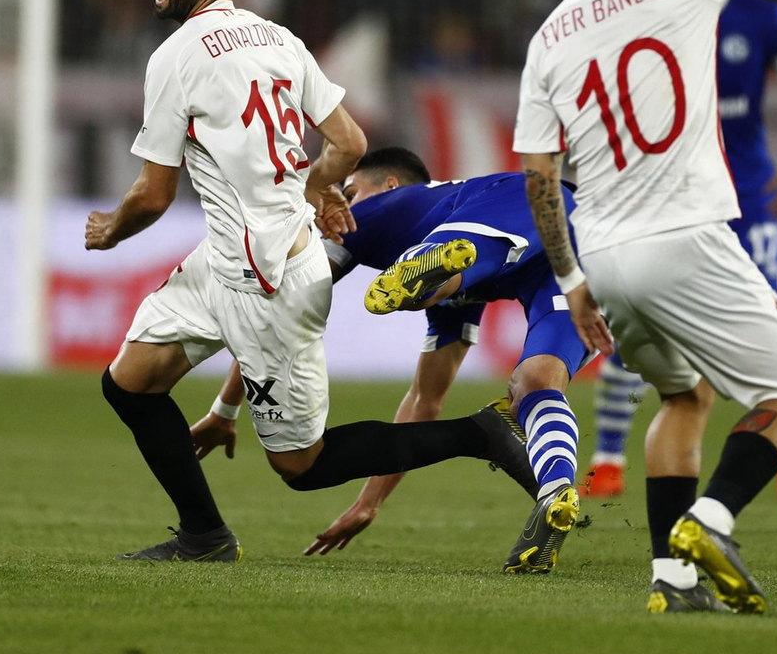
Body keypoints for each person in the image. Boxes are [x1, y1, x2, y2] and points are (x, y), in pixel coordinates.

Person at [89, 0, 534, 563]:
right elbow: (351, 142)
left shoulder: (174, 57)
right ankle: (203, 535)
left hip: (266, 275)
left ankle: (479, 433)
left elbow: (152, 196)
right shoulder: (279, 39)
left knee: (302, 463)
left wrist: (111, 229)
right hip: (230, 255)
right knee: (129, 382)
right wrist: (315, 186)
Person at [513, 0, 777, 614]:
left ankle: (671, 580)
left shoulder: (548, 37)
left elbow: (541, 176)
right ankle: (710, 521)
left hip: (604, 259)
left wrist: (571, 283)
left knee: (686, 393)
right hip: (687, 234)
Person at [191, 147, 593, 572]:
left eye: (350, 191)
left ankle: (429, 264)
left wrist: (227, 406)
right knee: (537, 382)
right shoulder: (461, 292)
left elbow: (281, 311)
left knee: (467, 253)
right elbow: (425, 400)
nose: (343, 202)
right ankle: (555, 492)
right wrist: (369, 503)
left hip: (521, 201)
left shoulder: (362, 215)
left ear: (389, 185)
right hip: (579, 246)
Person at [586, 0, 777, 505]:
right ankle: (607, 457)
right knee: (641, 323)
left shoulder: (762, 19)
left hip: (747, 197)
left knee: (772, 319)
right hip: (671, 201)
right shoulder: (641, 17)